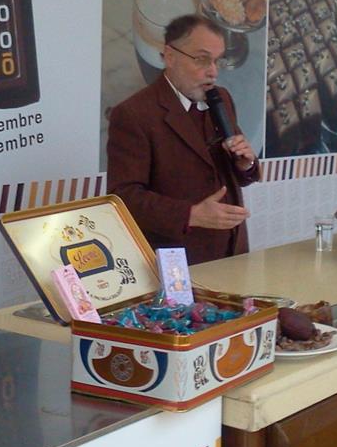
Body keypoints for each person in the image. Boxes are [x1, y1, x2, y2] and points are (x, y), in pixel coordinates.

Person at [107, 14, 260, 265]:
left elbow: (234, 172)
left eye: (217, 61)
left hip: (234, 253)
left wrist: (246, 164)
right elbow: (123, 197)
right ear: (170, 56)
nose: (213, 71)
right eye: (202, 59)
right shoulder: (134, 114)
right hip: (177, 262)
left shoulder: (221, 98)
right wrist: (191, 215)